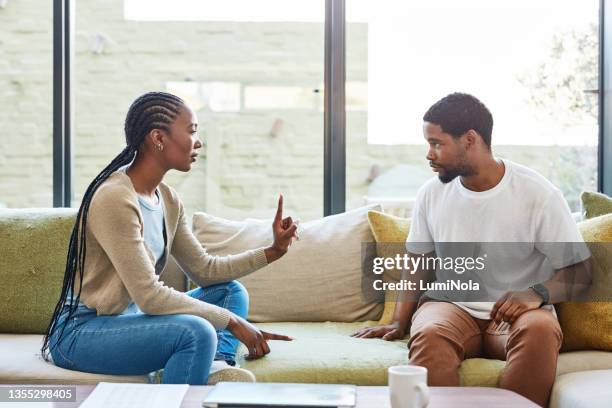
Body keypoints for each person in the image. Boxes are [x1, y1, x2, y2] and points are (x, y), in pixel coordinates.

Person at [41, 91, 298, 385]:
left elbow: (205, 270)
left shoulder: (168, 199)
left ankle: (214, 364)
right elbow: (149, 296)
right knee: (196, 331)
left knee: (230, 293)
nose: (198, 141)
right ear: (158, 138)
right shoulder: (115, 198)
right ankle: (198, 361)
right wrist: (234, 322)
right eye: (191, 131)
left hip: (129, 318)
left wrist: (273, 251)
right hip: (81, 331)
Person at [352, 92, 591, 407]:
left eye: (437, 144)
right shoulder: (431, 194)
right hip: (451, 307)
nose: (429, 154)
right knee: (429, 332)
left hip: (514, 316)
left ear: (469, 139)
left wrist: (536, 293)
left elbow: (581, 272)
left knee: (541, 329)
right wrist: (399, 321)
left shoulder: (538, 194)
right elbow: (418, 261)